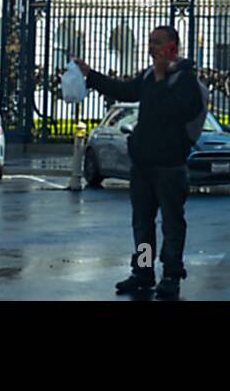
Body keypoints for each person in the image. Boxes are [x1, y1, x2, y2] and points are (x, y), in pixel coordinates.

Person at [79, 25, 203, 300]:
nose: (151, 48)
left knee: (171, 223)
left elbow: (176, 110)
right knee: (142, 222)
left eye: (157, 42)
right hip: (144, 164)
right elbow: (124, 91)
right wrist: (91, 77)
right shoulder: (149, 76)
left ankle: (171, 274)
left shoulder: (185, 80)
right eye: (149, 42)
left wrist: (161, 79)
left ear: (173, 47)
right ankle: (144, 271)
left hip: (170, 165)